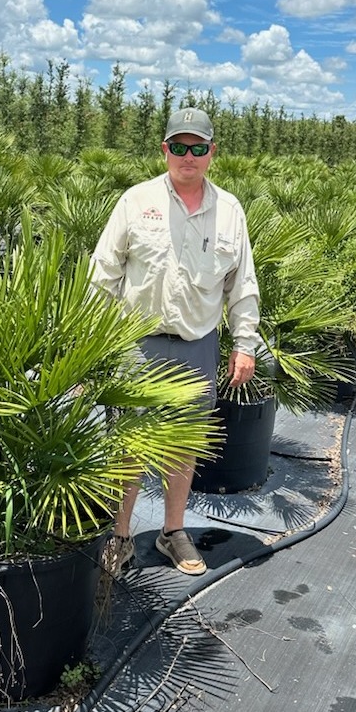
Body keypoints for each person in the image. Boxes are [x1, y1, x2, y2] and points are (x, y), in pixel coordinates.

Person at [91, 107, 260, 576]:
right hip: (134, 344)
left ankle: (172, 533)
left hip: (196, 345)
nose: (189, 156)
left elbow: (242, 284)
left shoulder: (229, 210)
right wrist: (91, 343)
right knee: (128, 445)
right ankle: (120, 535)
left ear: (212, 153)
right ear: (165, 150)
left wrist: (245, 343)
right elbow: (103, 273)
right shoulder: (136, 200)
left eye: (199, 148)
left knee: (183, 445)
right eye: (179, 147)